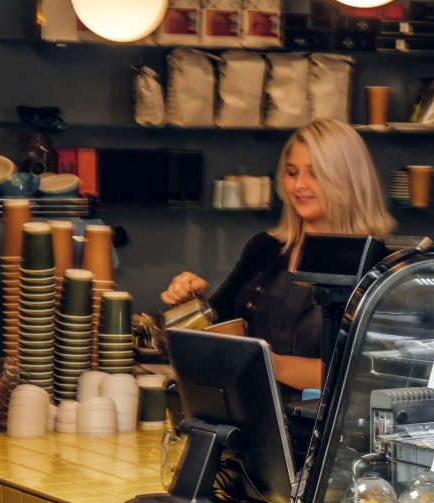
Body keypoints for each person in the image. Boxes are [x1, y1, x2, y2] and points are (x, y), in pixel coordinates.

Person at [161, 118, 396, 395]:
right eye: (292, 173)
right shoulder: (266, 248)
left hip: (322, 432)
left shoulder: (378, 263)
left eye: (315, 174)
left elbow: (371, 374)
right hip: (252, 416)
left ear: (347, 180)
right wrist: (190, 302)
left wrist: (269, 364)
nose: (299, 186)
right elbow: (216, 329)